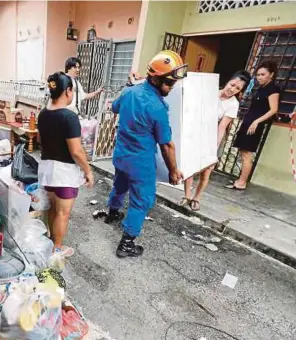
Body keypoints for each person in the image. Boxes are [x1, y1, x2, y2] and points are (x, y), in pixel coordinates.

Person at [106, 50, 186, 258]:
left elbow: (114, 108)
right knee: (141, 201)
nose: (172, 87)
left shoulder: (129, 92)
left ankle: (112, 213)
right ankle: (126, 244)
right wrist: (174, 171)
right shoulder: (157, 107)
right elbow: (167, 145)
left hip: (121, 156)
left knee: (120, 185)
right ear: (155, 78)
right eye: (169, 83)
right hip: (140, 163)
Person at [37, 71, 94, 258]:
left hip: (46, 169)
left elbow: (40, 139)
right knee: (63, 213)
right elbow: (76, 151)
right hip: (64, 172)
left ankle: (50, 243)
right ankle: (57, 248)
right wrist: (88, 171)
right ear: (68, 91)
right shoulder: (69, 117)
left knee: (53, 208)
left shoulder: (43, 114)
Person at [181, 70, 252, 210]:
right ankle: (187, 195)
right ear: (227, 81)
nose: (232, 89)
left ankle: (197, 197)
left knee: (206, 170)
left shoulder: (233, 104)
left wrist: (212, 151)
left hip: (214, 138)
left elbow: (221, 128)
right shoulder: (210, 92)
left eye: (237, 88)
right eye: (232, 84)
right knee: (189, 166)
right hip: (197, 133)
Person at [226, 61, 280, 190]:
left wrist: (257, 122)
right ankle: (240, 179)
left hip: (254, 125)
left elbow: (273, 109)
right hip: (248, 122)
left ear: (271, 74)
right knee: (242, 151)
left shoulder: (273, 89)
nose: (259, 77)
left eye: (263, 74)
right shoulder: (261, 88)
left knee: (247, 154)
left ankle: (242, 182)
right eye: (258, 75)